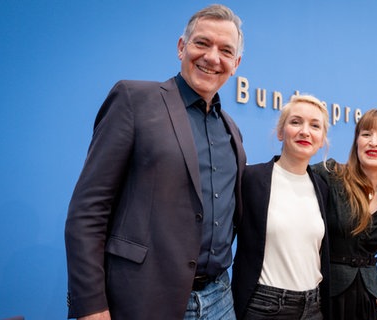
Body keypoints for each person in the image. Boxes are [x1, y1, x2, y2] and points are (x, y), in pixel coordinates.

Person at [64, 4, 246, 320]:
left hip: (219, 299)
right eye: (202, 43)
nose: (212, 57)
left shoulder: (232, 128)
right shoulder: (134, 100)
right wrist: (91, 306)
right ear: (181, 47)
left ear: (236, 63)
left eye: (225, 50)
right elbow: (88, 211)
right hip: (143, 298)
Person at [232, 94, 331, 320]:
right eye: (296, 122)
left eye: (315, 126)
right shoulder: (251, 179)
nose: (305, 131)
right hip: (264, 306)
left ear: (322, 139)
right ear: (280, 132)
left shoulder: (322, 188)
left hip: (313, 308)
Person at [312, 109, 377, 320]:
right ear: (357, 142)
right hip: (324, 293)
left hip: (368, 298)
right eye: (366, 134)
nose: (373, 142)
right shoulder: (329, 175)